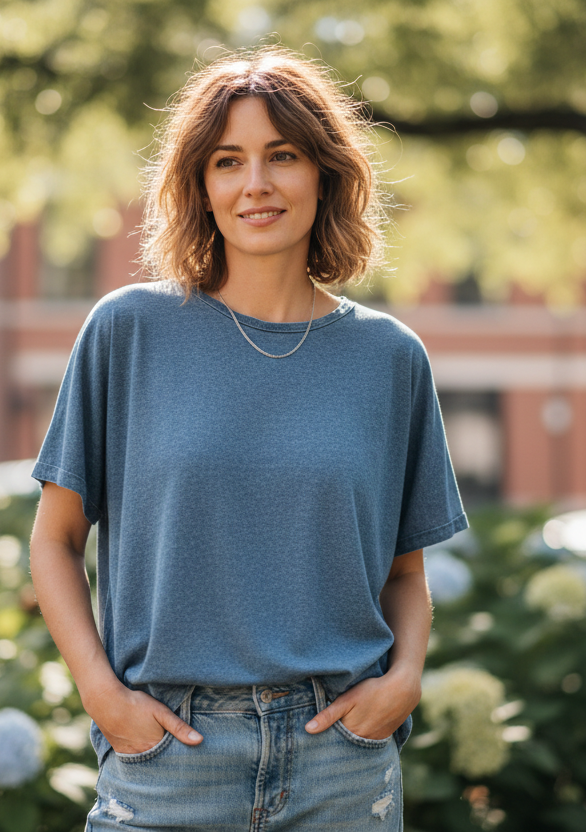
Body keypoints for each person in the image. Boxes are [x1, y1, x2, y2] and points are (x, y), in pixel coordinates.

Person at [28, 46, 467, 830]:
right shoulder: (127, 332)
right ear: (200, 186)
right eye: (228, 161)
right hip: (169, 755)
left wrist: (405, 680)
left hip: (342, 761)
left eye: (283, 156)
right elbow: (55, 541)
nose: (255, 184)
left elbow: (406, 571)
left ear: (324, 174)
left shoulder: (390, 358)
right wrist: (103, 697)